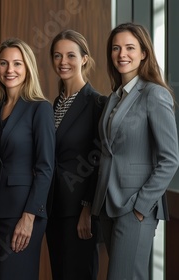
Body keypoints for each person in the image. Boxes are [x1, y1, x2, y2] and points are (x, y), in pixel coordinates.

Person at [91, 22, 179, 280]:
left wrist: (140, 206)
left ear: (144, 53)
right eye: (116, 48)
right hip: (108, 204)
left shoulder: (154, 94)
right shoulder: (115, 96)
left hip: (134, 207)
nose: (122, 54)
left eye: (130, 48)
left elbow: (170, 159)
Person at [0, 38, 55, 280]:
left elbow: (45, 168)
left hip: (22, 213)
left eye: (17, 64)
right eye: (4, 63)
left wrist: (29, 216)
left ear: (27, 68)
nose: (10, 70)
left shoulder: (40, 108)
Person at [45, 29, 106, 280]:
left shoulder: (97, 103)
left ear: (84, 59)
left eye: (70, 55)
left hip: (79, 212)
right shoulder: (55, 105)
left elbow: (99, 160)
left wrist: (87, 210)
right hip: (53, 208)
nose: (63, 62)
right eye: (58, 56)